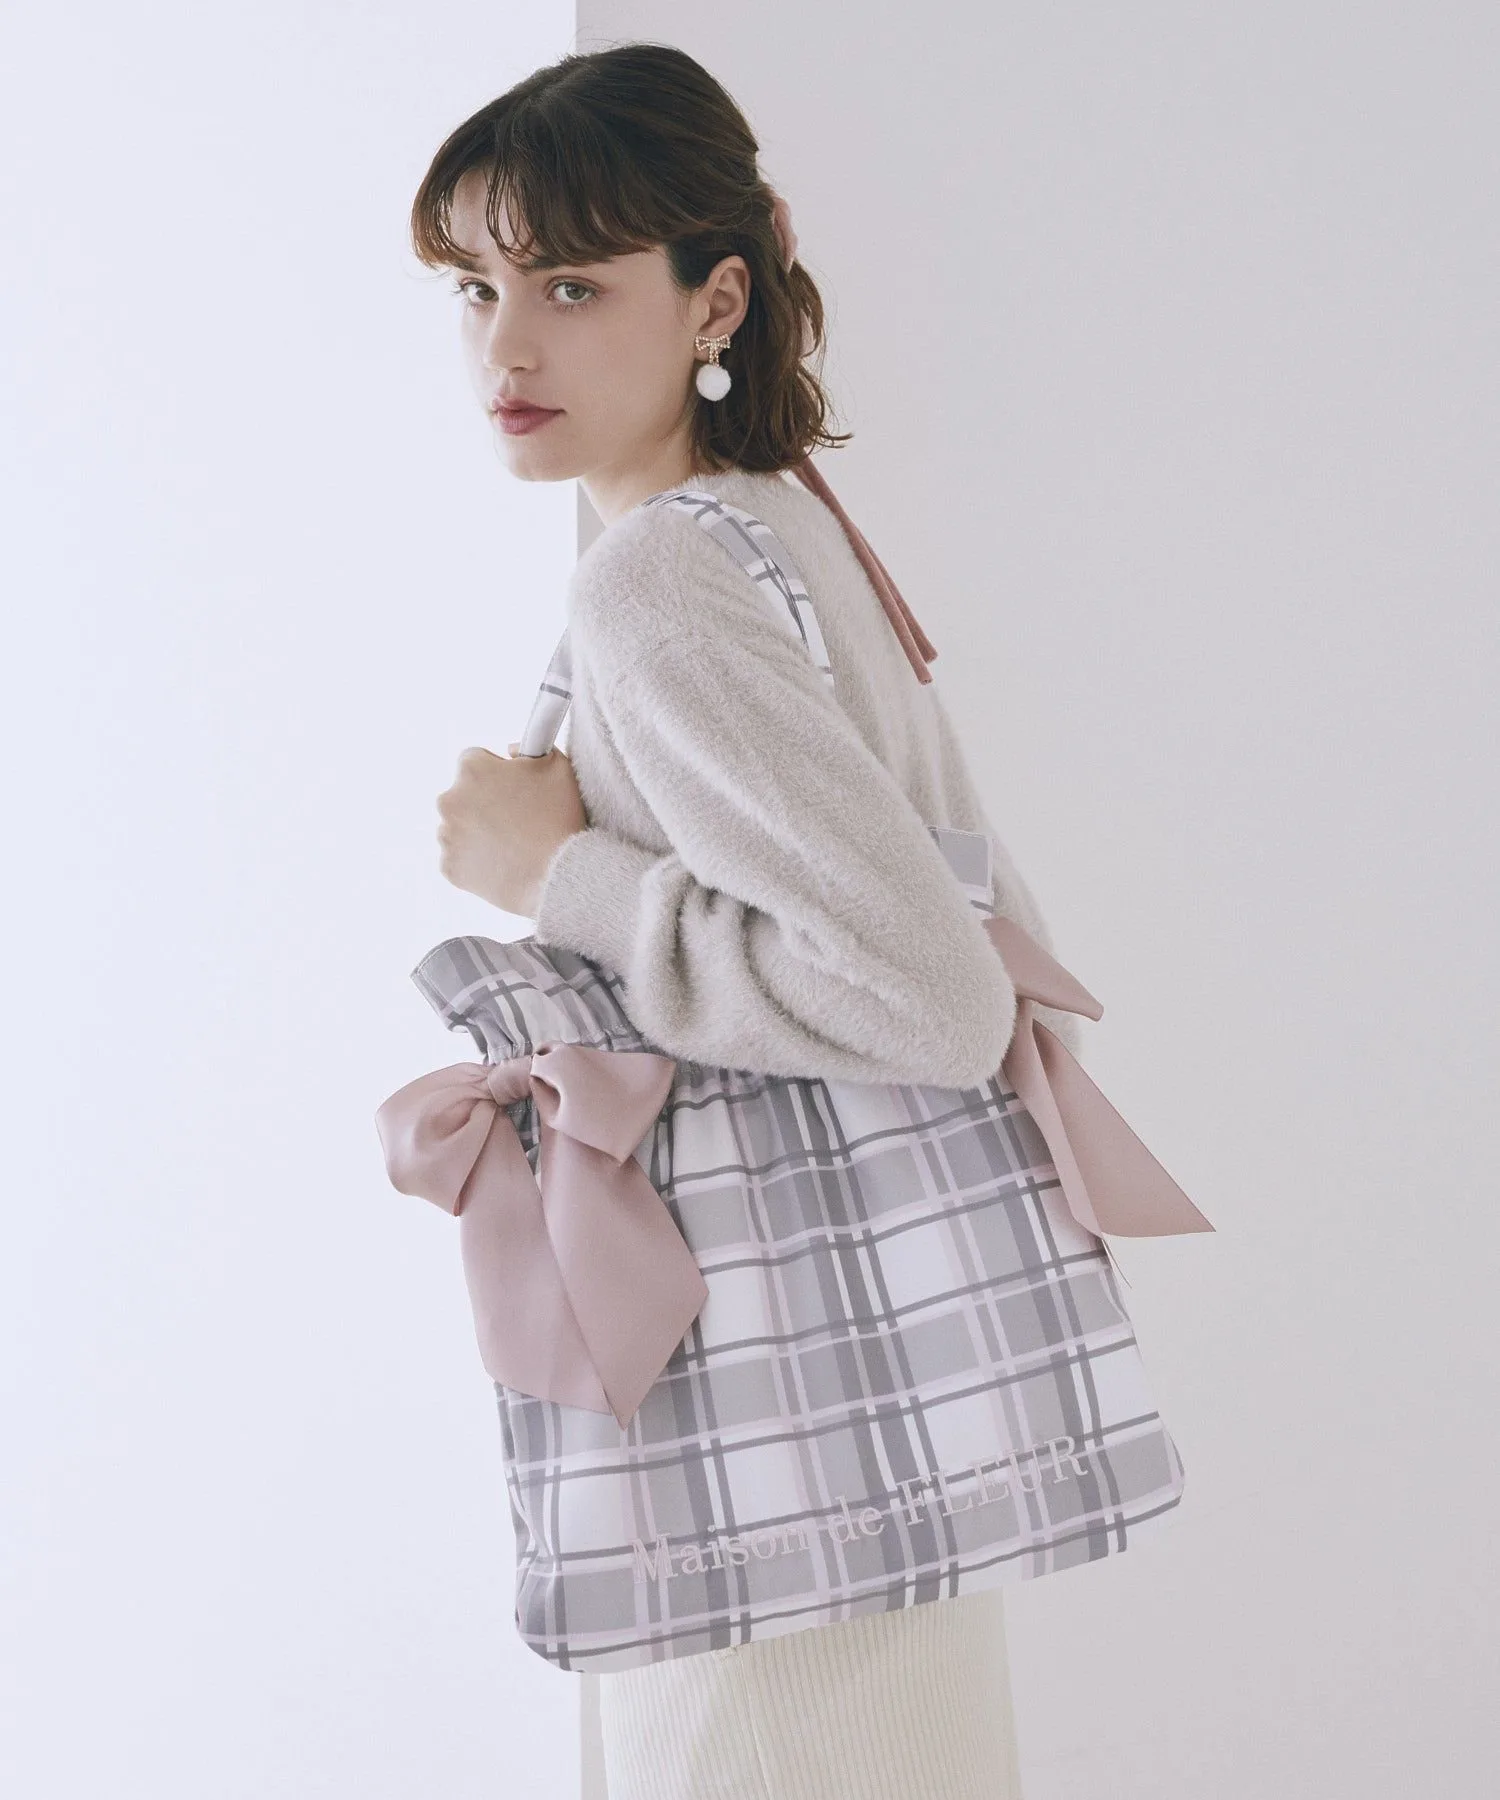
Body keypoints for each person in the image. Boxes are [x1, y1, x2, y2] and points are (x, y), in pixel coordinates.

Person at [407, 40, 1073, 1800]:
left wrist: (552, 878)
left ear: (717, 297)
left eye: (571, 285)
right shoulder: (780, 525)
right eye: (475, 287)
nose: (507, 349)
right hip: (862, 1399)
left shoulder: (660, 579)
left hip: (767, 1425)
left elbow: (929, 996)